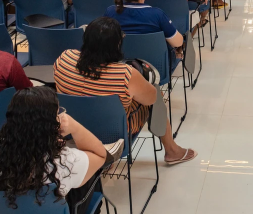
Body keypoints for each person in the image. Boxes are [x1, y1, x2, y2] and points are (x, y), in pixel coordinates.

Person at [54, 17, 197, 167]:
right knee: (157, 95)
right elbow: (151, 99)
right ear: (117, 44)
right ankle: (172, 150)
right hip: (114, 134)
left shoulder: (64, 58)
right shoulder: (124, 74)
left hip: (71, 128)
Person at [104, 0, 184, 61]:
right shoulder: (157, 14)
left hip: (119, 65)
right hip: (154, 68)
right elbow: (178, 42)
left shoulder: (111, 12)